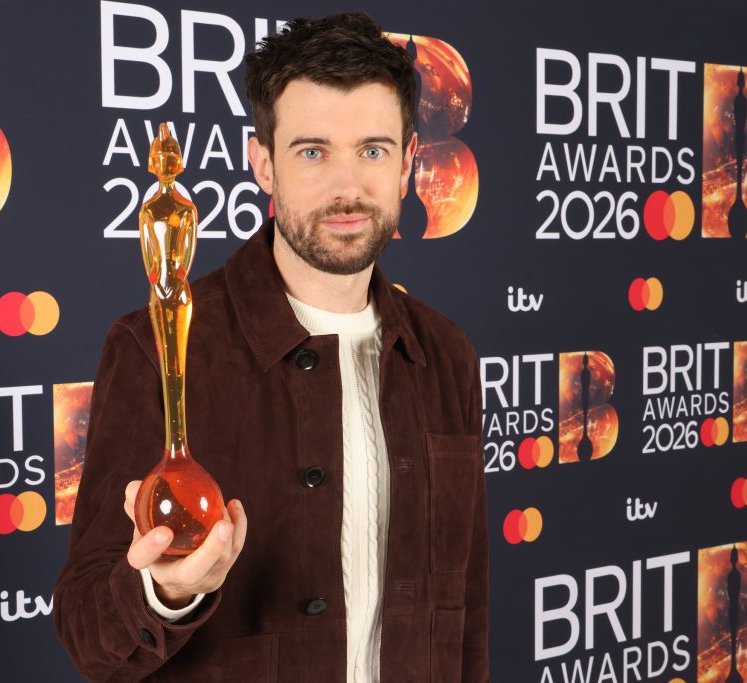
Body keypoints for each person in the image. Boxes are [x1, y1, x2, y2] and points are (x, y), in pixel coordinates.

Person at [54, 12, 488, 682]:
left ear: (406, 163)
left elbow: (467, 619)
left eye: (371, 150)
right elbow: (87, 633)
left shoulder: (446, 354)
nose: (347, 186)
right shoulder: (157, 348)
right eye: (313, 151)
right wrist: (167, 592)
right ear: (263, 162)